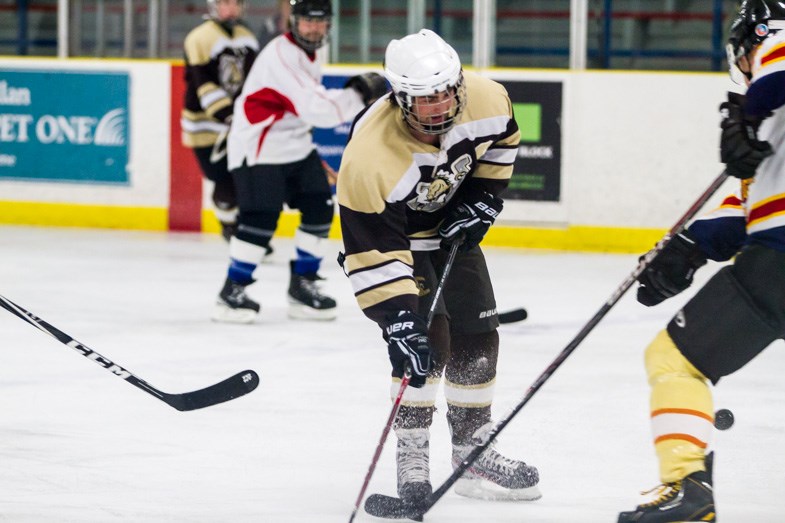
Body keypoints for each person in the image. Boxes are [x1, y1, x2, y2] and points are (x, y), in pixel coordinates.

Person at [337, 29, 541, 510]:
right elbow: (372, 251)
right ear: (399, 97)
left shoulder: (489, 98)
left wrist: (483, 201)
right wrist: (398, 320)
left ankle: (472, 452)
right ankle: (412, 462)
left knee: (479, 334)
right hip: (397, 243)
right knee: (428, 344)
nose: (441, 105)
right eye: (426, 98)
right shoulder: (369, 156)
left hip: (449, 232)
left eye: (448, 90)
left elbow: (504, 139)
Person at [618, 2, 785, 521]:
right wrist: (686, 249)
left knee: (675, 360)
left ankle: (685, 489)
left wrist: (747, 111)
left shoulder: (774, 56)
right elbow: (753, 206)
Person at [212, 0, 387, 323]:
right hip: (259, 146)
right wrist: (359, 93)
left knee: (319, 207)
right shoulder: (281, 54)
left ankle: (302, 286)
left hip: (294, 145)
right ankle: (231, 292)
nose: (314, 28)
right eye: (308, 21)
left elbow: (301, 108)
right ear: (294, 21)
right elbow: (316, 109)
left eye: (321, 22)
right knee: (260, 219)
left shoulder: (312, 51)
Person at [181, 0, 259, 241]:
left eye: (236, 3)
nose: (231, 8)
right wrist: (227, 114)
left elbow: (254, 80)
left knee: (242, 179)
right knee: (221, 178)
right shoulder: (199, 39)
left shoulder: (247, 37)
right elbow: (202, 82)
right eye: (225, 2)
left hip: (236, 123)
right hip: (204, 124)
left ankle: (242, 231)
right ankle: (231, 227)